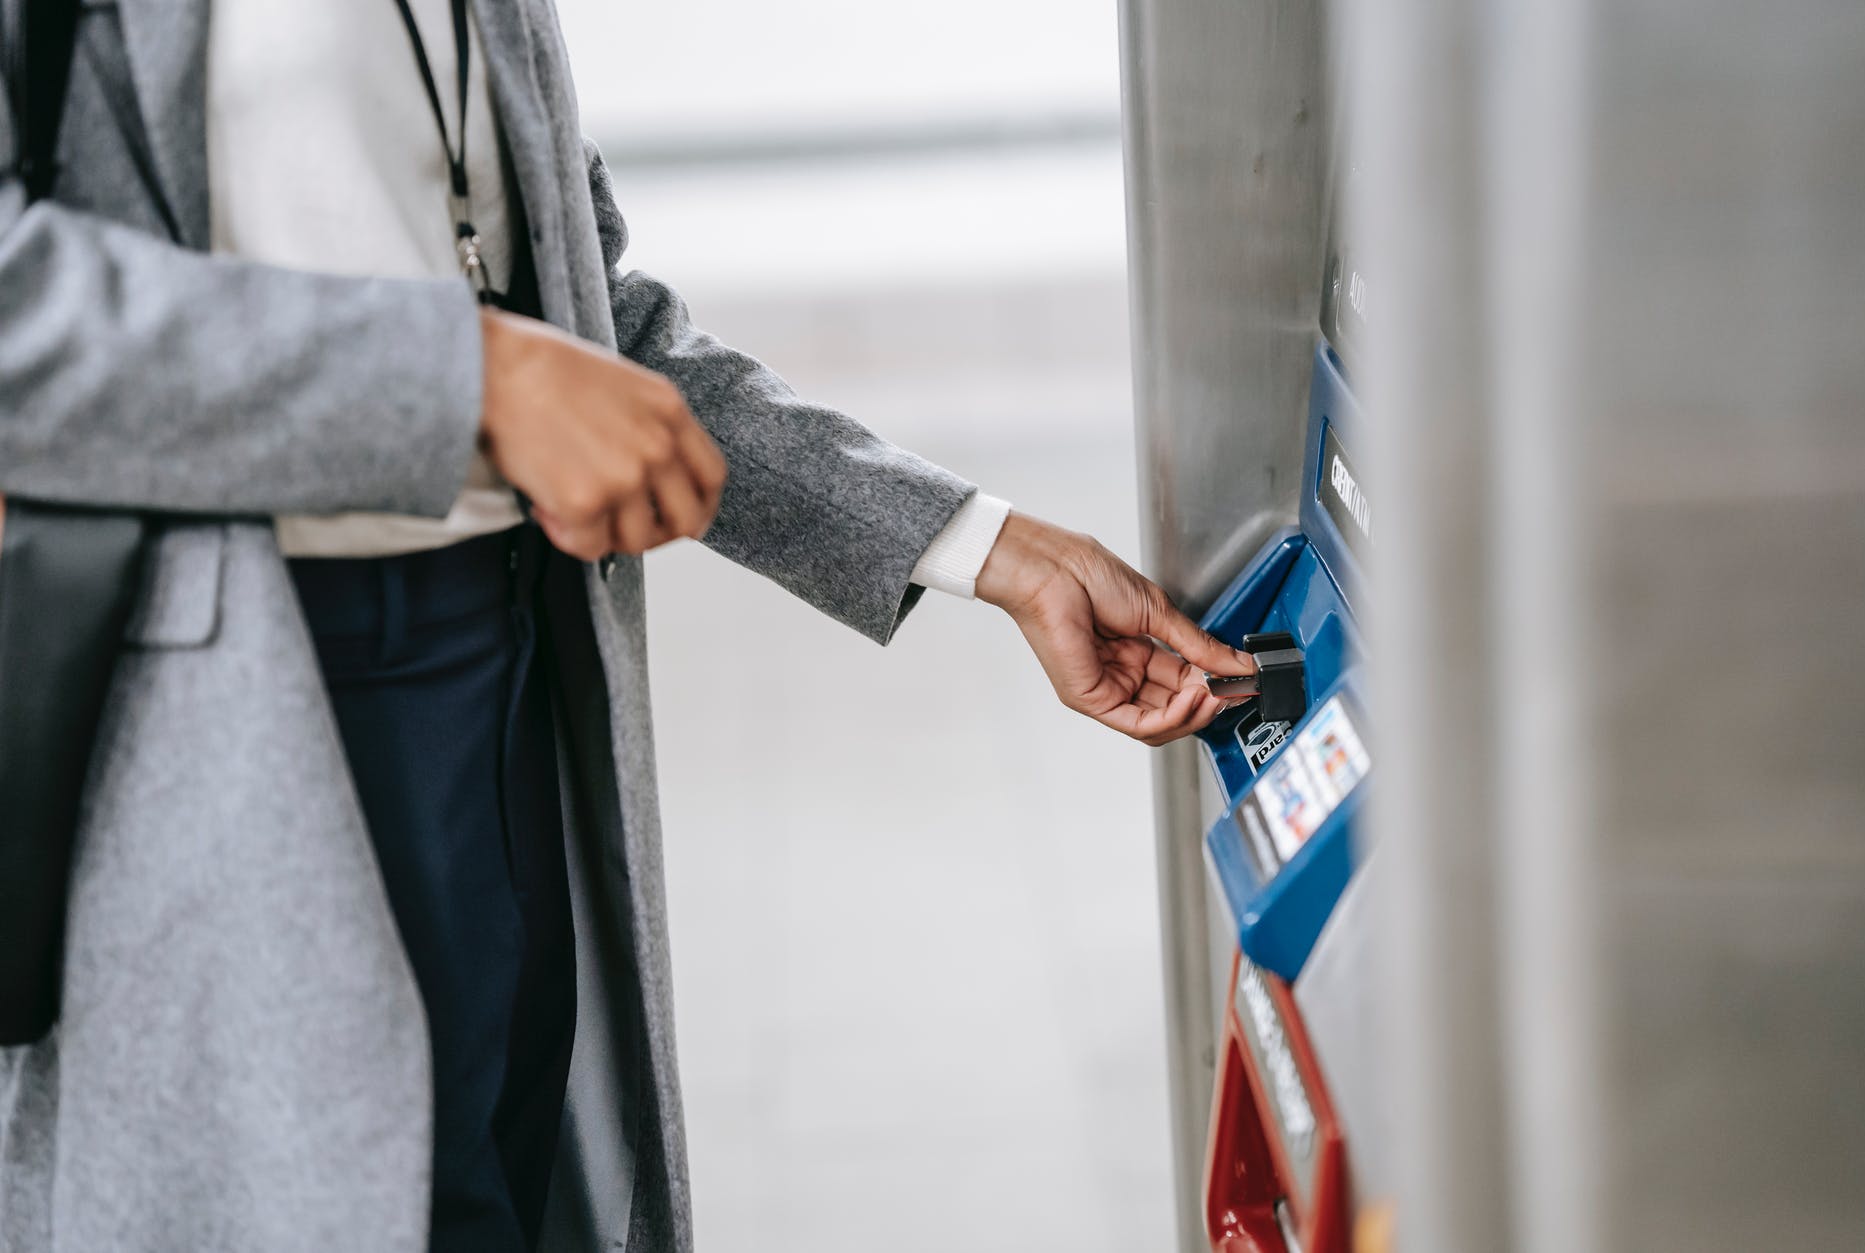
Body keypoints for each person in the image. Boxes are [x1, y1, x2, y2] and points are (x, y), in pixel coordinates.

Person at [0, 2, 1257, 1250]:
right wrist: (469, 377)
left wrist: (983, 543)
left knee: (505, 1181)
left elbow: (595, 336)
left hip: (504, 665)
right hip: (230, 711)